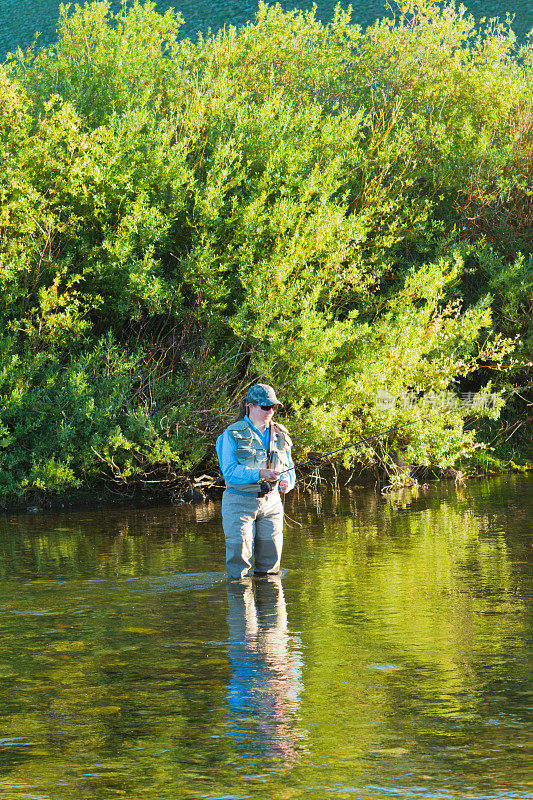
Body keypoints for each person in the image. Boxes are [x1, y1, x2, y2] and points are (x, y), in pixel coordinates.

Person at [216, 384, 296, 580]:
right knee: (239, 567)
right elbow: (229, 472)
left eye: (273, 407)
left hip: (272, 503)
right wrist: (260, 473)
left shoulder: (281, 433)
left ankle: (270, 607)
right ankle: (242, 606)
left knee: (271, 567)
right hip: (239, 502)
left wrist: (287, 481)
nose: (270, 411)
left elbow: (290, 467)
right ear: (249, 406)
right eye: (265, 407)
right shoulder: (231, 435)